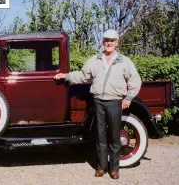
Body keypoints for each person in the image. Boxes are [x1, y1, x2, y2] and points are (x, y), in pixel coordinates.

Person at [54, 29, 142, 179]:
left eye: (112, 41)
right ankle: (101, 167)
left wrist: (127, 99)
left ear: (117, 43)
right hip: (98, 102)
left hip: (115, 101)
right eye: (107, 40)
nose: (109, 43)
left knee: (114, 136)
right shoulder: (95, 60)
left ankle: (114, 169)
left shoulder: (124, 61)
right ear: (103, 42)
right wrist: (66, 76)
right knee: (100, 135)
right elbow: (83, 75)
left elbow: (135, 81)